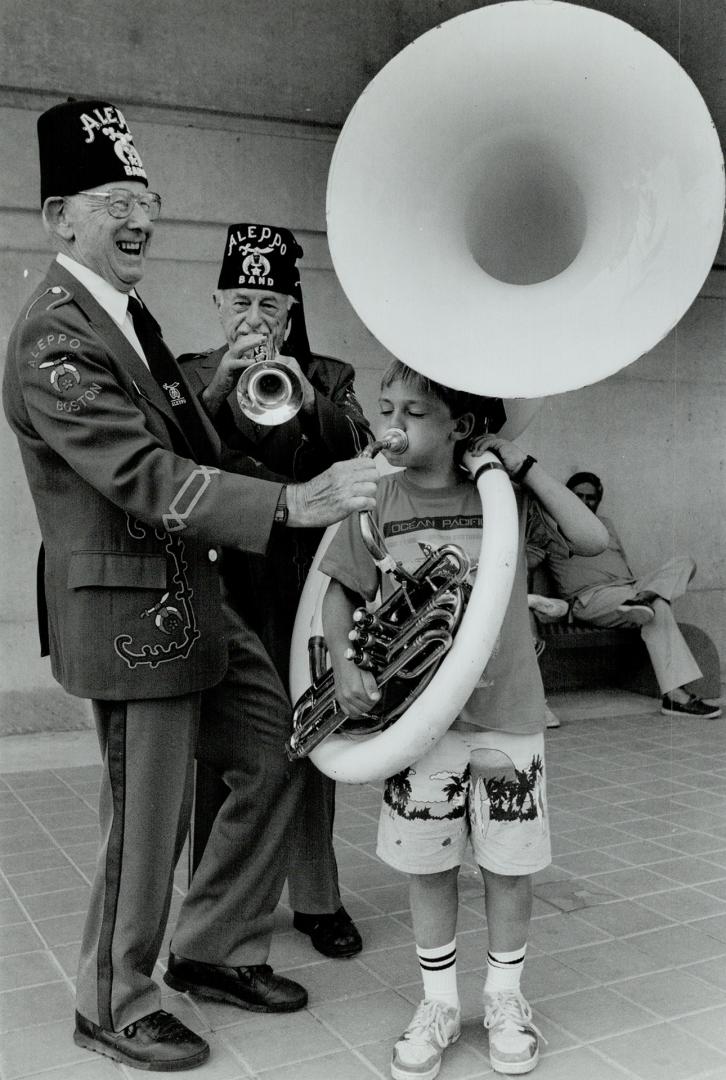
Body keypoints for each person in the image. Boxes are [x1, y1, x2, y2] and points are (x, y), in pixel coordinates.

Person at [2, 99, 379, 1073]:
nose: (138, 216)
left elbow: (183, 437)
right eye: (114, 198)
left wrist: (216, 396)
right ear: (59, 217)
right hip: (134, 610)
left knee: (271, 750)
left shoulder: (125, 316)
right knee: (150, 813)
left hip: (194, 600)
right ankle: (114, 1001)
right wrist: (294, 503)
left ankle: (209, 949)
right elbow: (144, 475)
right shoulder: (55, 337)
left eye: (148, 197)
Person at [318, 361, 608, 1078]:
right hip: (419, 721)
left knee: (508, 868)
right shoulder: (376, 498)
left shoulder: (502, 493)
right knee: (429, 865)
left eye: (414, 412)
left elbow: (591, 538)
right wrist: (346, 665)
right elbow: (338, 591)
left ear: (460, 426)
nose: (393, 423)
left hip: (506, 711)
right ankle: (440, 1002)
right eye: (387, 407)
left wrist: (523, 465)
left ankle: (505, 997)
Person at [177, 222, 371, 958]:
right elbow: (169, 452)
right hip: (218, 584)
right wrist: (221, 387)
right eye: (238, 302)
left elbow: (356, 450)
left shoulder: (329, 375)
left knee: (309, 733)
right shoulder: (191, 373)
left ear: (289, 311)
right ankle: (214, 897)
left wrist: (297, 378)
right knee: (219, 745)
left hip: (297, 585)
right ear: (218, 303)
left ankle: (317, 900)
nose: (250, 319)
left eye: (267, 303)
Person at [547, 471, 721, 719]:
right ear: (567, 497)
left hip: (630, 588)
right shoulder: (550, 527)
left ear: (599, 500)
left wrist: (638, 588)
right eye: (578, 497)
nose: (585, 503)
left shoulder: (605, 526)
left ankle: (643, 598)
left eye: (591, 498)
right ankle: (675, 696)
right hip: (591, 598)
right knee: (659, 607)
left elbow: (621, 563)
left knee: (685, 562)